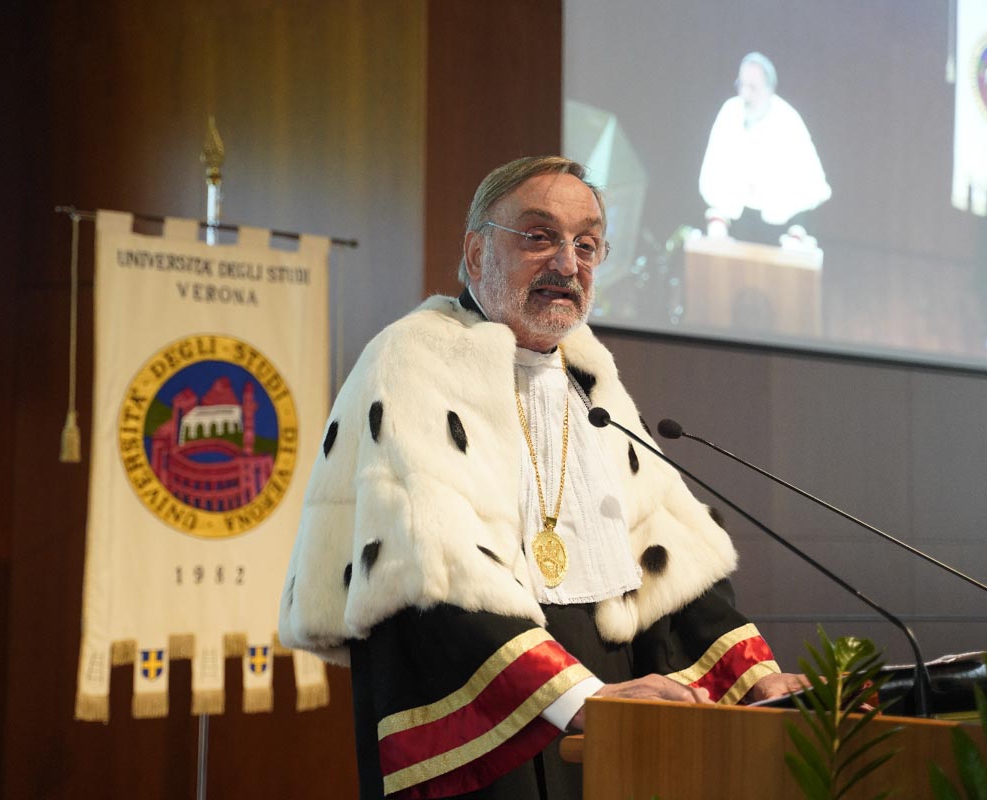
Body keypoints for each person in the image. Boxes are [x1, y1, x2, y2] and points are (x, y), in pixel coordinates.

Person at [279, 156, 805, 799]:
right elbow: (433, 569)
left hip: (610, 712)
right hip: (484, 713)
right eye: (538, 236)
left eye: (587, 245)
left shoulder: (588, 379)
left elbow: (668, 558)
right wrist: (580, 698)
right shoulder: (410, 358)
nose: (566, 263)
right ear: (476, 254)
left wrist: (756, 679)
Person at [699, 52, 831, 247]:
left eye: (752, 87)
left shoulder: (788, 120)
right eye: (741, 85)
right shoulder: (730, 112)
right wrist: (718, 221)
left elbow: (810, 184)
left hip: (776, 227)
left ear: (769, 89)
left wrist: (796, 231)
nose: (745, 94)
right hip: (734, 222)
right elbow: (714, 171)